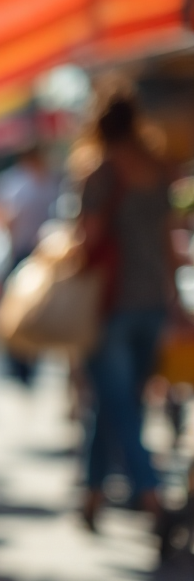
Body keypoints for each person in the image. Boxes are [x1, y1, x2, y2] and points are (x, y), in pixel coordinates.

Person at [78, 91, 179, 530]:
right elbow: (170, 244)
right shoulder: (157, 173)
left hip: (111, 304)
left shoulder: (100, 175)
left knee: (120, 405)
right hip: (152, 303)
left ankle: (152, 495)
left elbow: (88, 239)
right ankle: (93, 495)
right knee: (116, 401)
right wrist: (174, 302)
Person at [0, 145, 61, 384]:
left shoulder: (49, 182)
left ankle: (30, 360)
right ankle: (17, 361)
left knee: (38, 310)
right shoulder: (15, 183)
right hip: (21, 252)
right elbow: (5, 218)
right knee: (17, 309)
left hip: (44, 255)